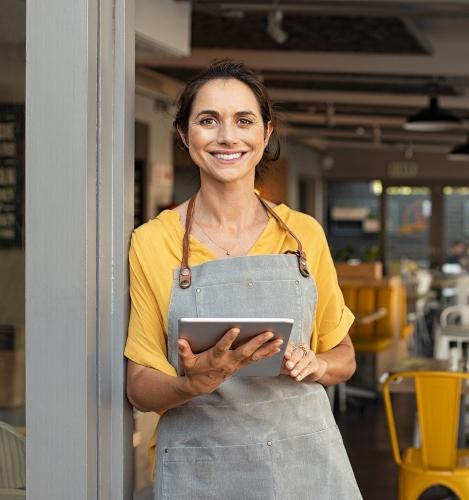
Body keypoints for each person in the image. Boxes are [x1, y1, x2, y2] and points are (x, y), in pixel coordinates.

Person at [124, 61, 361, 499]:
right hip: (204, 468)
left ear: (266, 134)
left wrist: (319, 365)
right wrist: (192, 383)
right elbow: (139, 386)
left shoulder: (303, 234)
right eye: (208, 120)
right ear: (184, 134)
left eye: (244, 120)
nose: (227, 136)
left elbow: (344, 354)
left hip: (304, 463)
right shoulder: (153, 242)